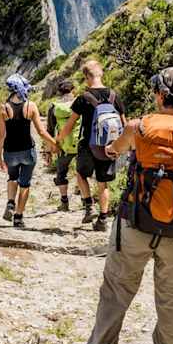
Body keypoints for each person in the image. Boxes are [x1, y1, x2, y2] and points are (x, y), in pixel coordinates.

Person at [85, 67, 173, 344]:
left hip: (134, 224)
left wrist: (112, 149)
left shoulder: (137, 127)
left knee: (115, 292)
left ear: (160, 95)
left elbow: (113, 149)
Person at [54, 60, 126, 232]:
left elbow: (70, 124)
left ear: (86, 77)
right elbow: (125, 123)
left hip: (87, 145)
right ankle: (103, 219)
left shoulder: (83, 98)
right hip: (108, 147)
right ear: (101, 74)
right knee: (103, 184)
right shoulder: (114, 96)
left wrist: (58, 139)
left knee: (81, 174)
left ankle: (89, 206)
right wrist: (121, 146)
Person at [0, 74, 58, 229]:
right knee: (25, 184)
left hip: (10, 151)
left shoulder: (3, 108)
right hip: (27, 151)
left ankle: (10, 203)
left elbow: (1, 135)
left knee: (12, 177)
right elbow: (41, 132)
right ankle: (18, 217)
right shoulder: (31, 106)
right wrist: (55, 144)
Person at [46, 79, 79, 212]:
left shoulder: (54, 107)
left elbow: (49, 130)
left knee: (61, 173)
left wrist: (48, 150)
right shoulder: (80, 103)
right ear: (73, 90)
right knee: (81, 173)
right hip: (81, 144)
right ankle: (86, 202)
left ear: (59, 92)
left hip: (63, 145)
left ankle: (64, 202)